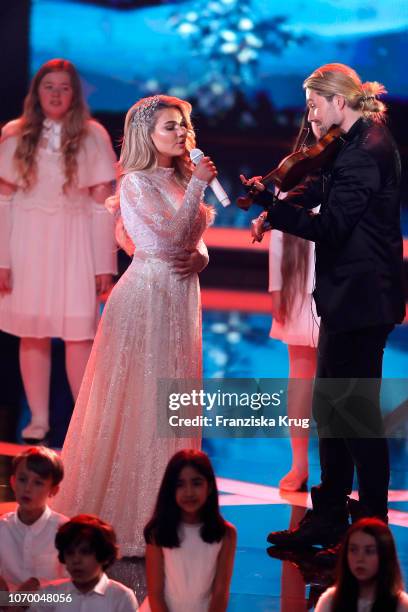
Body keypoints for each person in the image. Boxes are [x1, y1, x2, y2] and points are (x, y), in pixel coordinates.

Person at [242, 63, 405, 549]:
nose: (309, 115)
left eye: (314, 105)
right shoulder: (353, 141)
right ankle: (332, 512)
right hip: (351, 295)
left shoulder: (365, 152)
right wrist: (275, 197)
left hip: (361, 297)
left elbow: (331, 226)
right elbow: (318, 187)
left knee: (353, 413)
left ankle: (371, 522)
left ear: (338, 100)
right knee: (334, 409)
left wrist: (277, 214)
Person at [52, 95, 216, 556]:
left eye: (183, 126)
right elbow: (164, 241)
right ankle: (131, 514)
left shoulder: (180, 175)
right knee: (140, 398)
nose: (181, 134)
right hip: (146, 298)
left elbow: (191, 241)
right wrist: (199, 191)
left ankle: (170, 509)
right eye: (170, 127)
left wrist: (202, 255)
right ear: (147, 134)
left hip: (179, 296)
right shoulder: (137, 183)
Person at [0, 58, 117, 443]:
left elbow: (103, 207)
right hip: (28, 243)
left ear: (74, 93)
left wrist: (105, 264)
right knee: (31, 331)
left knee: (78, 333)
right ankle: (37, 418)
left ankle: (83, 422)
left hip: (75, 243)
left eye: (63, 87)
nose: (55, 94)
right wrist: (2, 259)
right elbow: (3, 203)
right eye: (48, 86)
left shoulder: (92, 135)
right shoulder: (15, 134)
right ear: (36, 92)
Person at [268, 118, 320, 492]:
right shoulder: (293, 181)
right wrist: (278, 291)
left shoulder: (353, 170)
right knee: (301, 377)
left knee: (346, 382)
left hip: (341, 287)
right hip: (302, 289)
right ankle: (299, 463)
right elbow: (280, 243)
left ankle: (345, 468)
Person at [143, 449, 236, 612]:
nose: (189, 492)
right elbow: (155, 594)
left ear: (210, 487)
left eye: (196, 483)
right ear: (170, 490)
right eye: (180, 485)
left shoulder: (226, 534)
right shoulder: (158, 532)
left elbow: (220, 592)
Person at [29, 514, 138, 611]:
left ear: (104, 556)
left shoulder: (121, 597)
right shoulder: (50, 594)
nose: (76, 560)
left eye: (85, 552)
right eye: (70, 553)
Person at [0, 447, 67, 594]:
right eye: (22, 480)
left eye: (38, 483)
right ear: (12, 481)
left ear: (53, 490)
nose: (27, 488)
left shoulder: (65, 531)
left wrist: (38, 586)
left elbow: (74, 591)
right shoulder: (2, 527)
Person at [315, 518, 408, 611]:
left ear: (385, 555)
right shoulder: (330, 601)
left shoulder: (401, 605)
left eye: (369, 551)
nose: (360, 558)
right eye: (353, 550)